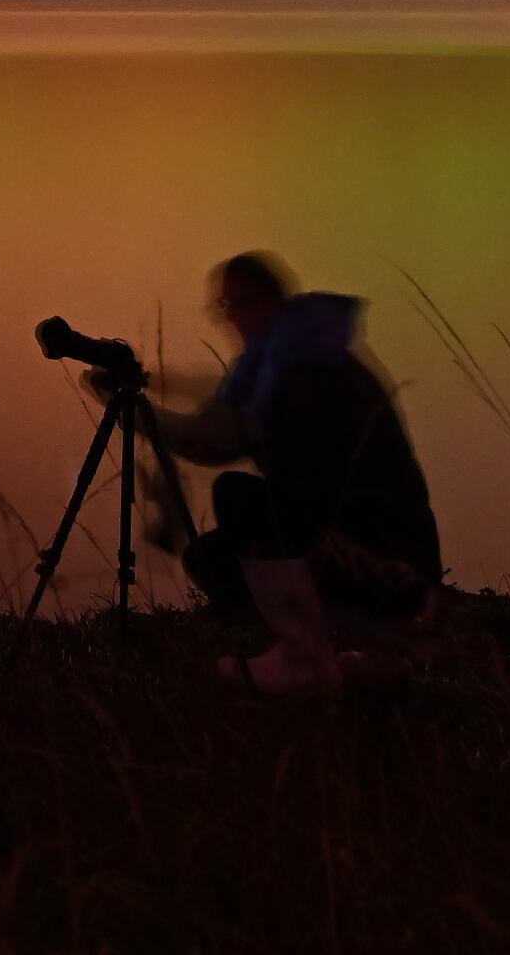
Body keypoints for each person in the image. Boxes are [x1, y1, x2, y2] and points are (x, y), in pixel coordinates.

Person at [144, 250, 440, 692]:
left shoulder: (287, 368)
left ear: (265, 302)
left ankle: (303, 658)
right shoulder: (316, 353)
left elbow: (211, 441)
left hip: (377, 565)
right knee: (216, 551)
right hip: (407, 560)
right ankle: (384, 655)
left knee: (238, 503)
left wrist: (135, 410)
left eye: (233, 305)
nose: (228, 319)